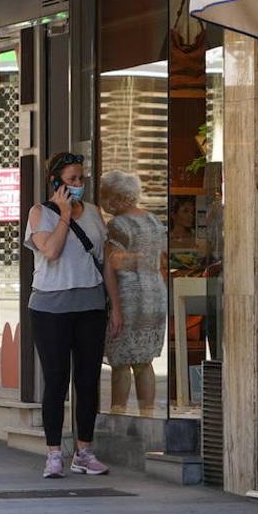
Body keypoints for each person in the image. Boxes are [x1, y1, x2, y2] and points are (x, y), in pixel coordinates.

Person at [25, 152, 111, 478]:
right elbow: (50, 251)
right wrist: (63, 214)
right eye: (72, 179)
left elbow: (106, 262)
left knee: (88, 381)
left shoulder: (93, 213)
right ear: (56, 182)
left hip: (90, 303)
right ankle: (53, 454)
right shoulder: (39, 213)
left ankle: (84, 452)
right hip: (51, 307)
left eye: (82, 179)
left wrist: (112, 304)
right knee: (57, 380)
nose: (79, 185)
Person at [99, 171, 166, 416]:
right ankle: (147, 415)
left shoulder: (118, 225)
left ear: (114, 197)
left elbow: (112, 265)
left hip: (130, 297)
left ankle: (119, 416)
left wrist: (115, 309)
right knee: (144, 361)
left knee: (121, 362)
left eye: (104, 195)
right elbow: (162, 261)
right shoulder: (155, 221)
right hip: (156, 296)